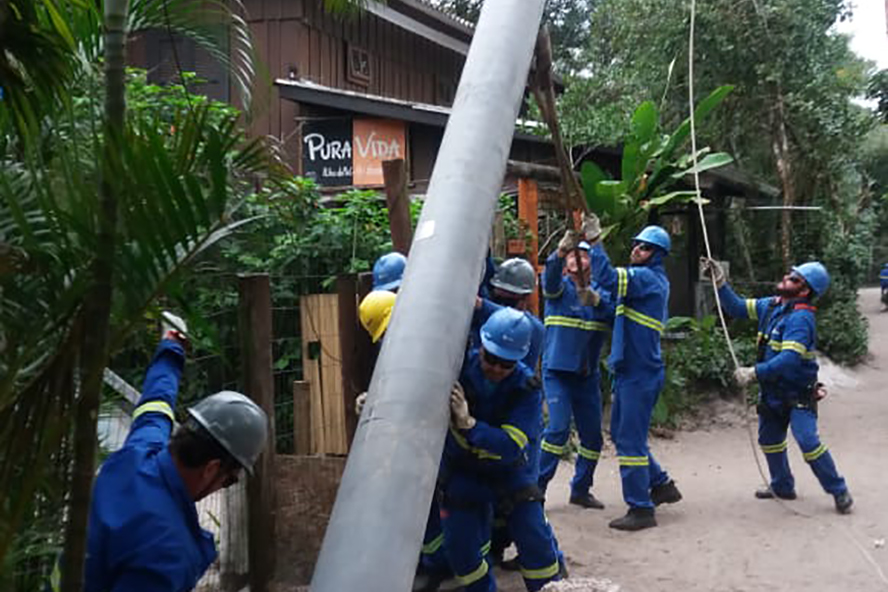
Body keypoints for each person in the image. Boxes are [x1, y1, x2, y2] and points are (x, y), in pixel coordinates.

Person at [83, 313, 269, 592]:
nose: (222, 487)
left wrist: (171, 347)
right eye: (229, 480)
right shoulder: (167, 552)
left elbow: (157, 399)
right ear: (211, 469)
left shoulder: (138, 453)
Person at [702, 258, 853, 514]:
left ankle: (838, 490)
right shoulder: (771, 306)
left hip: (798, 394)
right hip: (772, 392)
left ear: (804, 291)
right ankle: (782, 485)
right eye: (789, 274)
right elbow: (737, 307)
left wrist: (754, 372)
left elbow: (789, 360)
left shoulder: (801, 319)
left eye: (794, 279)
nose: (787, 278)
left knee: (807, 441)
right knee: (769, 439)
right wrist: (720, 283)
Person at [439, 308, 563, 592]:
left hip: (509, 475)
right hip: (463, 474)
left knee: (535, 541)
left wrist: (469, 425)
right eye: (491, 359)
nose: (496, 368)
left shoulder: (527, 388)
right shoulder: (455, 370)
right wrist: (373, 400)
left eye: (505, 364)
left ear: (518, 360)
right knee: (461, 550)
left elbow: (509, 447)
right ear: (480, 346)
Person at [586, 218, 682, 531]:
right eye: (637, 245)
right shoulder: (643, 283)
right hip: (631, 371)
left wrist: (596, 242)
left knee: (630, 441)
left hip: (640, 374)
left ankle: (641, 509)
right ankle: (661, 484)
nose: (637, 250)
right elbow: (614, 301)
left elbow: (609, 278)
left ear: (656, 255)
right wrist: (597, 300)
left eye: (645, 248)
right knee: (622, 433)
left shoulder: (648, 279)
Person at [537, 237, 614, 510]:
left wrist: (596, 300)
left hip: (587, 375)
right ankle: (535, 490)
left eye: (584, 256)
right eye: (572, 256)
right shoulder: (558, 290)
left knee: (593, 438)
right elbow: (551, 277)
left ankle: (581, 490)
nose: (577, 260)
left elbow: (613, 311)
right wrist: (558, 252)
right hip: (557, 373)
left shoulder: (602, 293)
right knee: (557, 430)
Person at [472, 257, 545, 372]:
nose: (501, 302)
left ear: (525, 298)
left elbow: (517, 320)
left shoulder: (534, 328)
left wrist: (483, 305)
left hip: (510, 388)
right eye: (498, 297)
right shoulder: (484, 314)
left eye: (509, 299)